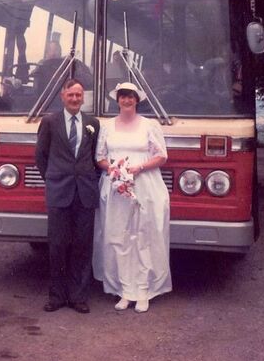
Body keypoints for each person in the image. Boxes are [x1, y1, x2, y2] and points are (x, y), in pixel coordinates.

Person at [93, 82, 171, 313]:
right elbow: (100, 157)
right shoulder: (107, 126)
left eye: (130, 97)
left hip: (145, 186)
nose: (126, 100)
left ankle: (144, 291)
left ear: (137, 100)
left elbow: (161, 156)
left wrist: (139, 167)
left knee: (144, 236)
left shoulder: (149, 125)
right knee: (119, 237)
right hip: (116, 188)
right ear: (117, 100)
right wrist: (113, 169)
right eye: (122, 96)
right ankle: (125, 290)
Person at [35, 78, 101, 314]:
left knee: (83, 245)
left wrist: (87, 178)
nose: (74, 99)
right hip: (59, 191)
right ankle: (57, 296)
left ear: (83, 98)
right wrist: (53, 179)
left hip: (85, 192)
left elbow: (95, 156)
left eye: (78, 95)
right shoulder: (49, 122)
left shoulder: (93, 123)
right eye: (70, 95)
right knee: (57, 245)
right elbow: (41, 156)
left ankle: (78, 297)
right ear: (62, 96)